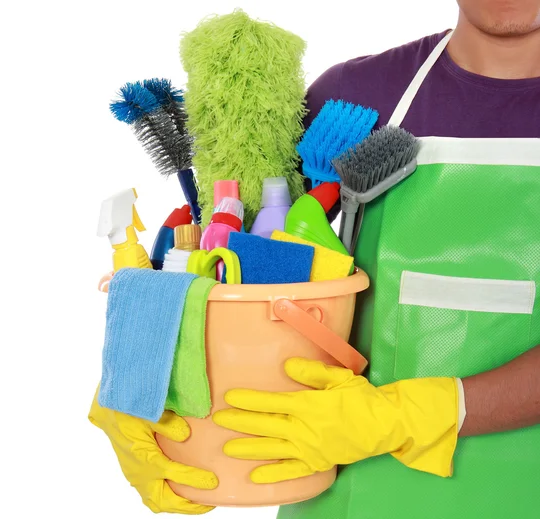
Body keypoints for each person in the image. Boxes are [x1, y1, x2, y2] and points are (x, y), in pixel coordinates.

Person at [89, 1, 540, 517]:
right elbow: (233, 280)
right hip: (345, 496)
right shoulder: (356, 98)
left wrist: (420, 413)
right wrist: (134, 374)